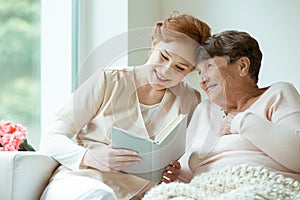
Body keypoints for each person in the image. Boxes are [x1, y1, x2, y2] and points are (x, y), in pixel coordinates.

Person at [39, 12, 211, 200]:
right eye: (163, 57)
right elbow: (50, 139)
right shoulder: (107, 80)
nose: (166, 70)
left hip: (141, 194)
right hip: (83, 183)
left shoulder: (190, 100)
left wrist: (173, 171)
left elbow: (184, 156)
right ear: (154, 44)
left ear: (191, 70)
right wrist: (90, 157)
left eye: (180, 67)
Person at [145, 30, 300, 199]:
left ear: (242, 66)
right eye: (199, 72)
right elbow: (188, 170)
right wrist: (175, 176)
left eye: (209, 67)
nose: (202, 80)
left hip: (260, 184)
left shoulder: (277, 93)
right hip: (203, 189)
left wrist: (239, 122)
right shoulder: (204, 110)